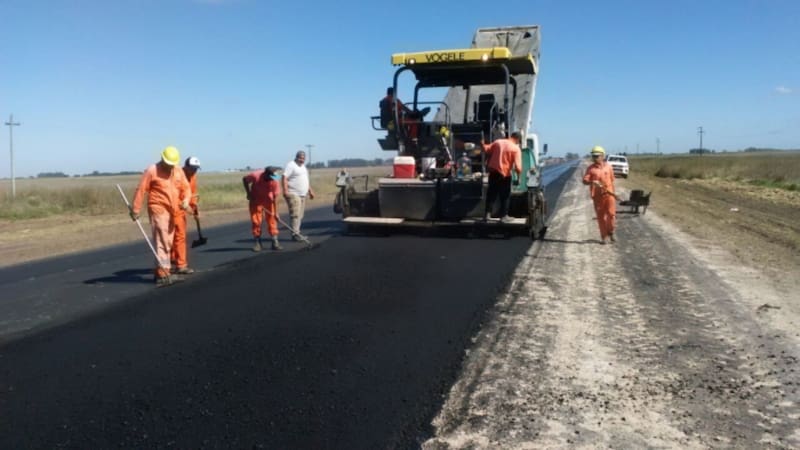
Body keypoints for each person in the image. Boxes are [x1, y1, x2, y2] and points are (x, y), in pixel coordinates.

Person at [130, 146, 193, 286]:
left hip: (173, 209)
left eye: (172, 164)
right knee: (162, 241)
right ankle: (162, 274)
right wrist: (135, 209)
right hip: (158, 208)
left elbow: (186, 188)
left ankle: (164, 270)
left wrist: (186, 200)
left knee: (168, 241)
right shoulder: (152, 170)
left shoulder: (178, 171)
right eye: (168, 163)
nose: (170, 166)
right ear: (162, 159)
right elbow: (141, 189)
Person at [482, 131, 523, 223]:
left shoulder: (498, 142)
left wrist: (482, 143)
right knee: (505, 196)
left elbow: (486, 149)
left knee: (491, 194)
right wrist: (519, 178)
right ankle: (504, 216)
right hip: (505, 175)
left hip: (493, 173)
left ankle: (487, 215)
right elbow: (518, 167)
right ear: (517, 139)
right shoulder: (515, 148)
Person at [170, 156, 201, 274]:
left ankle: (181, 264)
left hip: (182, 210)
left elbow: (192, 193)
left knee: (180, 236)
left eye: (196, 169)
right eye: (193, 168)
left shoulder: (193, 177)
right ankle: (171, 260)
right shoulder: (176, 175)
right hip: (171, 208)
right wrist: (183, 204)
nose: (194, 171)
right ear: (186, 166)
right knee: (170, 237)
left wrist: (194, 208)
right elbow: (172, 194)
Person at [242, 166, 283, 252]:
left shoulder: (275, 179)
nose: (272, 179)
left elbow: (276, 197)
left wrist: (276, 212)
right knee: (256, 221)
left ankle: (275, 242)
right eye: (270, 177)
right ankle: (258, 243)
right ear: (265, 174)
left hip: (269, 200)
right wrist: (248, 193)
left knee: (272, 220)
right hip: (256, 200)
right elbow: (245, 180)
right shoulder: (255, 175)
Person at [582, 145, 617, 244]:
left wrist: (613, 193)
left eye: (597, 156)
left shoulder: (609, 167)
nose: (595, 158)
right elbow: (585, 181)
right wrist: (592, 182)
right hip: (598, 197)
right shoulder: (591, 169)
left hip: (609, 195)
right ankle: (604, 236)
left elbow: (612, 180)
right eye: (593, 156)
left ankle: (610, 231)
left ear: (603, 156)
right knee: (601, 217)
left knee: (611, 215)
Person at [283, 151, 315, 239]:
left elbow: (305, 180)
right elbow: (284, 177)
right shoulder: (291, 165)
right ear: (296, 157)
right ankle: (295, 234)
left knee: (300, 215)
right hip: (293, 193)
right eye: (300, 158)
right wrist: (285, 191)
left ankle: (297, 232)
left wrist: (310, 191)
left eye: (303, 158)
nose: (302, 160)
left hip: (302, 194)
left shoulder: (303, 167)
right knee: (295, 214)